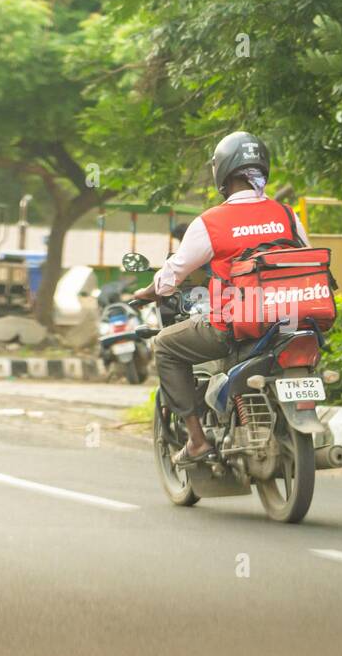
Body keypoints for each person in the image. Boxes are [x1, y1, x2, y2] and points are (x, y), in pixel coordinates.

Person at [130, 131, 309, 465]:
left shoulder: (211, 222)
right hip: (291, 323)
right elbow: (307, 258)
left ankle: (197, 441)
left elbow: (173, 274)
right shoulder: (287, 215)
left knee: (165, 346)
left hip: (235, 326)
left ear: (222, 172)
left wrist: (149, 291)